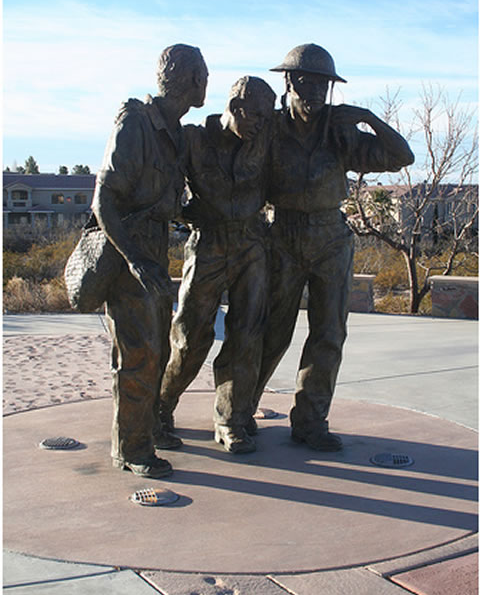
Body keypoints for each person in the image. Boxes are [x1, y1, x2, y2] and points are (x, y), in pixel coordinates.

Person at [252, 43, 415, 451]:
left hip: (330, 238)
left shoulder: (341, 131)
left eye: (322, 85)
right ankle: (239, 410)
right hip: (282, 234)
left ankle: (311, 422)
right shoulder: (270, 129)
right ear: (290, 82)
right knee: (270, 331)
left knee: (328, 334)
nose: (314, 92)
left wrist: (367, 117)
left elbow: (402, 156)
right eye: (307, 83)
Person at [92, 43, 208, 477]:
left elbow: (168, 202)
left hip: (154, 255)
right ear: (191, 79)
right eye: (204, 75)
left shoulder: (175, 133)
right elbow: (104, 202)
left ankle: (147, 431)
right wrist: (136, 260)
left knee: (156, 350)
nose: (206, 83)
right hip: (128, 259)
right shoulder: (135, 122)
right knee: (138, 355)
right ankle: (132, 449)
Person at [158, 76, 276, 453]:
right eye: (256, 116)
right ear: (236, 107)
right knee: (190, 337)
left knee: (247, 335)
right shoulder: (193, 139)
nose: (261, 124)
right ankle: (161, 407)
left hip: (251, 245)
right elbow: (167, 188)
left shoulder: (265, 139)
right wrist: (187, 214)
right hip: (208, 244)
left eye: (267, 117)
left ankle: (231, 419)